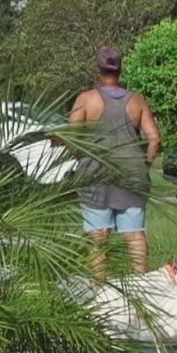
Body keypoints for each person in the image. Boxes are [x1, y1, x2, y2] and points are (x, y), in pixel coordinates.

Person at [71, 47, 161, 278]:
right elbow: (154, 138)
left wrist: (80, 157)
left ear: (98, 70)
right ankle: (141, 284)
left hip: (96, 174)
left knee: (98, 235)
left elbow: (72, 136)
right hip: (132, 174)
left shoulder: (86, 99)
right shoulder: (137, 101)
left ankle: (100, 288)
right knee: (134, 234)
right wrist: (145, 164)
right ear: (120, 70)